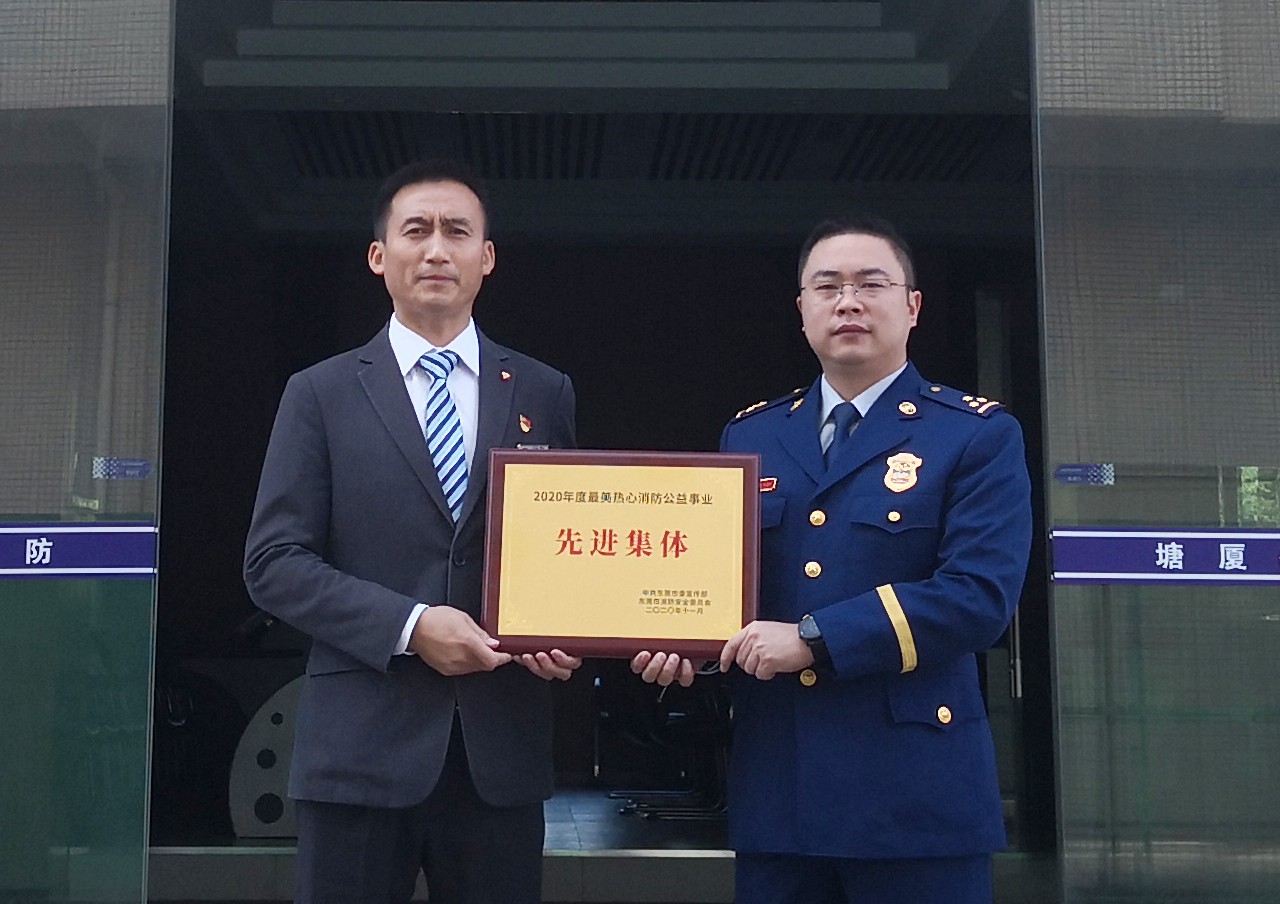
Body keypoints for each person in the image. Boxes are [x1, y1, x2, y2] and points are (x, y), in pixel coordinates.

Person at [633, 214, 1032, 903]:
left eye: (871, 284)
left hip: (915, 800)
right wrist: (689, 647)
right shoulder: (752, 435)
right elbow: (729, 593)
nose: (848, 302)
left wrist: (814, 640)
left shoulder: (975, 435)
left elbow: (978, 599)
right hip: (779, 795)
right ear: (802, 310)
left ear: (913, 306)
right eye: (827, 287)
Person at [244, 159, 581, 904]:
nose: (436, 249)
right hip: (358, 751)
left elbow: (563, 545)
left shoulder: (543, 390)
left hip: (500, 752)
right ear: (379, 255)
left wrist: (566, 627)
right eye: (416, 230)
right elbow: (274, 562)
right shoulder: (320, 392)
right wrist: (412, 625)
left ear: (486, 258)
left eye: (457, 232)